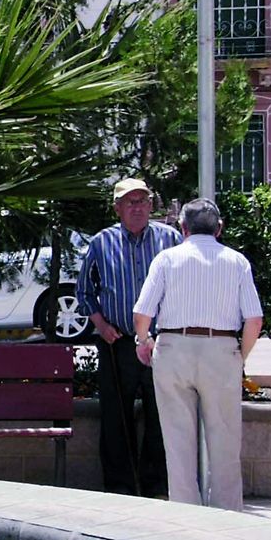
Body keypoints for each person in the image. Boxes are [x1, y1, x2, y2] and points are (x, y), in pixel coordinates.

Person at [131, 198, 263, 511]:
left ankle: (185, 514)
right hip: (221, 348)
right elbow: (254, 319)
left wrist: (144, 341)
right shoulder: (237, 261)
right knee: (225, 441)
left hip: (174, 346)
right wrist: (239, 357)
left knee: (177, 442)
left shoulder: (166, 259)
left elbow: (141, 313)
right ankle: (227, 514)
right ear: (220, 228)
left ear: (183, 228)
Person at [74, 178, 182, 497]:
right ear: (118, 208)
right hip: (116, 342)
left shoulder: (170, 240)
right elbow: (84, 291)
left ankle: (155, 486)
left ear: (151, 206)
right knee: (115, 417)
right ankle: (119, 487)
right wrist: (100, 325)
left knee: (159, 415)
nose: (137, 207)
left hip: (159, 343)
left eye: (142, 201)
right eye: (130, 202)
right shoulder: (101, 243)